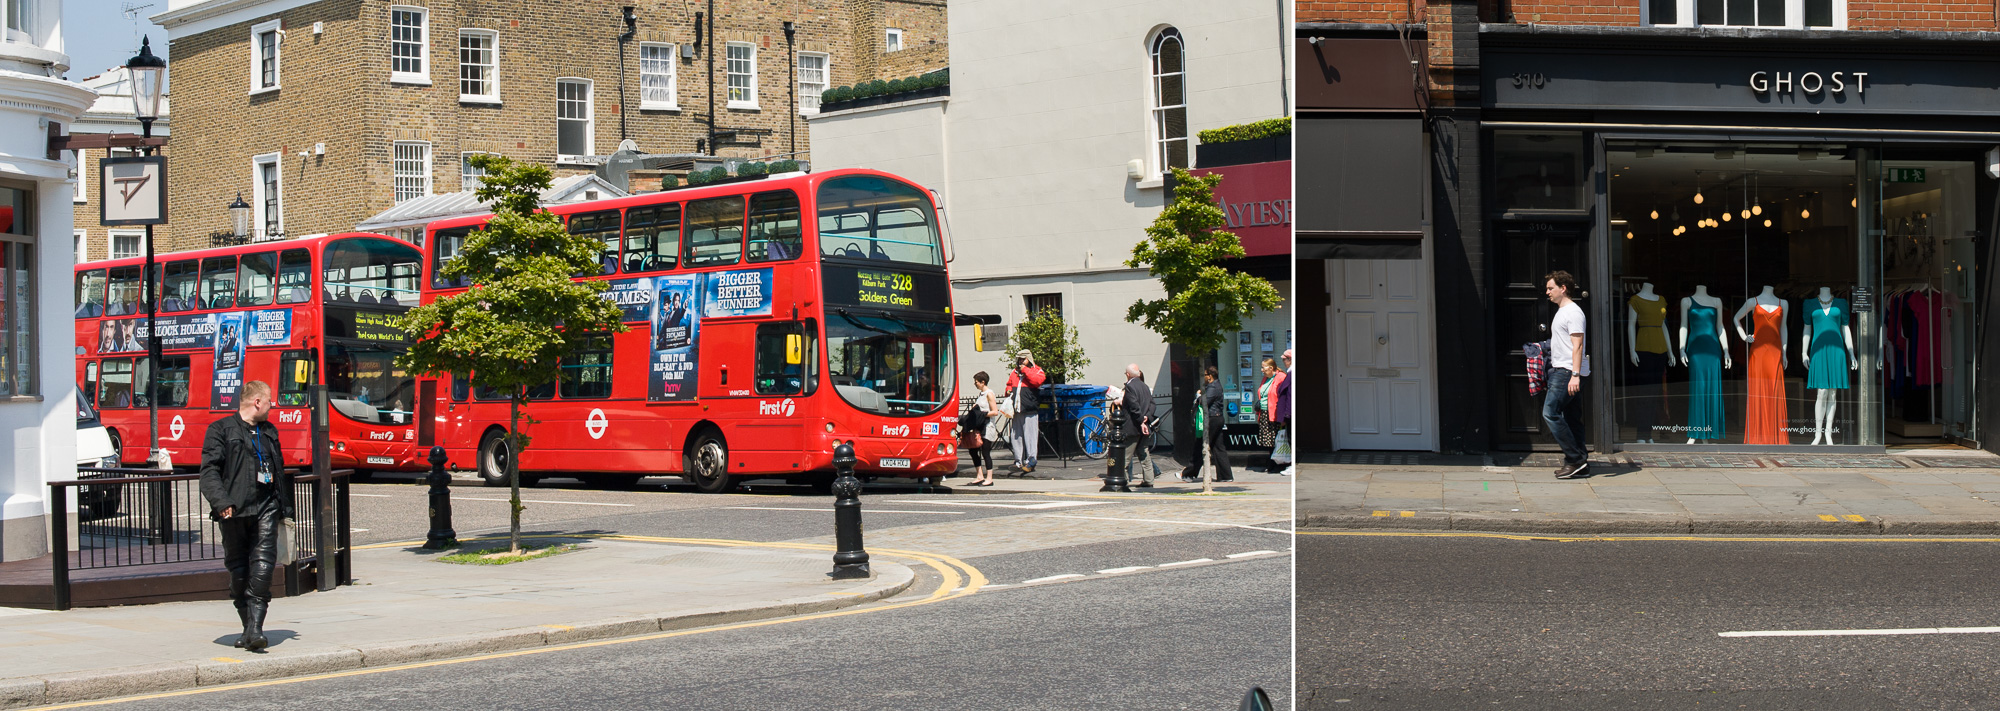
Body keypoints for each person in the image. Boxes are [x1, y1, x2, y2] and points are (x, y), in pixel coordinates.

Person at [199, 380, 294, 652]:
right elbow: (209, 472)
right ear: (257, 402)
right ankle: (248, 627)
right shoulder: (220, 430)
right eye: (269, 401)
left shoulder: (269, 431)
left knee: (263, 565)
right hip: (234, 509)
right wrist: (221, 502)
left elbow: (279, 469)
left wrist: (284, 507)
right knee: (238, 569)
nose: (272, 405)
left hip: (266, 506)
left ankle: (255, 629)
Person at [1543, 270, 1591, 479]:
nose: (1547, 292)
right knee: (1572, 418)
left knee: (1550, 412)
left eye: (1550, 288)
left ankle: (1574, 459)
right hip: (1563, 369)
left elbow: (1578, 346)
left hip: (1566, 372)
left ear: (1563, 289)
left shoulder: (1573, 312)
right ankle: (1580, 461)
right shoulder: (1562, 311)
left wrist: (1575, 375)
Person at [1004, 349, 1046, 474]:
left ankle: (1031, 460)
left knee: (1030, 437)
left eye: (1023, 359)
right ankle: (1018, 461)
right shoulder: (1014, 372)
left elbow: (1037, 381)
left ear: (1029, 359)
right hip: (1017, 410)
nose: (1021, 361)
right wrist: (1008, 389)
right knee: (1016, 436)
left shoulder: (1037, 370)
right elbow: (1009, 383)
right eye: (1019, 359)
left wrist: (1025, 371)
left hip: (1029, 410)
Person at [1190, 364, 1233, 483]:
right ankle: (1225, 475)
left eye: (1205, 375)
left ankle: (1189, 473)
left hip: (1212, 418)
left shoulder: (1213, 387)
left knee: (1201, 444)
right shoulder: (1216, 385)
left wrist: (1198, 397)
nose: (1203, 377)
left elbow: (1205, 402)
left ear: (1210, 376)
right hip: (1217, 417)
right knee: (1218, 447)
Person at [1121, 364, 1157, 488]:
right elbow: (1152, 404)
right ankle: (1149, 480)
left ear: (1128, 374)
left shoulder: (1130, 387)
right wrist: (1147, 417)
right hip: (1145, 426)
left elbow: (1134, 406)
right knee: (1144, 454)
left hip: (1133, 426)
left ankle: (1123, 481)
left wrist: (1141, 420)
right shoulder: (1145, 386)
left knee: (1125, 456)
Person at [962, 372, 998, 486]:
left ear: (983, 382)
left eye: (976, 382)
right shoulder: (981, 394)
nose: (975, 384)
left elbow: (995, 411)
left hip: (987, 426)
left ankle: (989, 478)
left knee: (985, 451)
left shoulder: (989, 394)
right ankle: (979, 475)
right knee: (973, 450)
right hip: (979, 426)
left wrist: (981, 414)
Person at [1255, 357, 1286, 472]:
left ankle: (1277, 464)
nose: (1261, 370)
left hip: (1274, 413)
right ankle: (1272, 463)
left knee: (1275, 439)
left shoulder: (1280, 377)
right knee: (1268, 441)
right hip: (1264, 412)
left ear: (1271, 368)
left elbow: (1282, 397)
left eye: (1263, 367)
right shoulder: (1265, 379)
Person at [1272, 349, 1293, 475]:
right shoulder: (1289, 373)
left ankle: (1291, 464)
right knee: (1289, 437)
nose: (1283, 362)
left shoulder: (1291, 373)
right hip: (1288, 412)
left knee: (1290, 437)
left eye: (1284, 359)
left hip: (1289, 413)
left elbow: (1289, 395)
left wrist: (1287, 413)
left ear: (1290, 359)